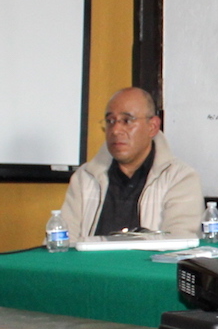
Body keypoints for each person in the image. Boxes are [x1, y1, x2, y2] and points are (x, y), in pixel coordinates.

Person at [60, 86, 204, 238]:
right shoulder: (85, 178)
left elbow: (179, 241)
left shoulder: (180, 178)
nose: (116, 130)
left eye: (127, 121)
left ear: (153, 126)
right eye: (110, 121)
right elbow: (63, 241)